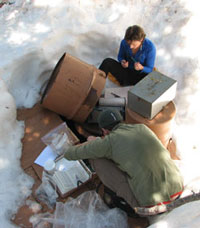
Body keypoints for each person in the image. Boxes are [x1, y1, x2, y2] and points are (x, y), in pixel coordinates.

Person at [64, 109, 183, 215]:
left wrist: (92, 142)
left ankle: (125, 202)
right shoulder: (141, 128)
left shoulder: (109, 142)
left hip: (152, 207)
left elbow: (73, 154)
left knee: (96, 158)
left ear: (105, 131)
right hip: (177, 190)